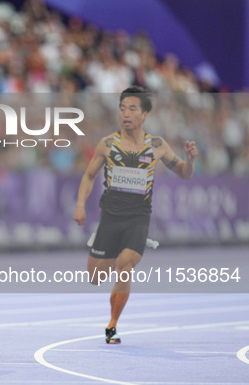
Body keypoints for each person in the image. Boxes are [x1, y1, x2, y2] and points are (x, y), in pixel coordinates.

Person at [73, 86, 198, 344]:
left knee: (125, 265)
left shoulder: (158, 146)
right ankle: (105, 246)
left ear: (144, 115)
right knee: (95, 278)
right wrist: (80, 206)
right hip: (110, 216)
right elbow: (88, 176)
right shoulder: (107, 144)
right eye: (122, 109)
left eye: (132, 109)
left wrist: (190, 160)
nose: (125, 114)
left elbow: (185, 173)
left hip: (139, 218)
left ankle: (112, 325)